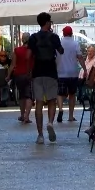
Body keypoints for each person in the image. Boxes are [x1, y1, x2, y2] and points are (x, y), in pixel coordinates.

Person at [27, 12, 64, 144]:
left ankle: (40, 135)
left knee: (39, 103)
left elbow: (28, 56)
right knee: (52, 100)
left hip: (37, 72)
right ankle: (50, 123)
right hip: (51, 72)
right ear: (48, 23)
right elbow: (61, 51)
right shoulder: (54, 37)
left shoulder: (33, 37)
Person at [55, 26, 83, 123]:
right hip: (73, 72)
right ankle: (71, 116)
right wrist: (84, 69)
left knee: (60, 93)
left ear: (63, 34)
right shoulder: (75, 43)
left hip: (60, 72)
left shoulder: (58, 43)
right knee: (72, 94)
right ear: (71, 33)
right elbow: (80, 57)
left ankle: (61, 109)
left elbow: (54, 57)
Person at [5, 32, 33, 124]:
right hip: (30, 74)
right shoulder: (33, 50)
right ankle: (27, 116)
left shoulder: (17, 50)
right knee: (29, 96)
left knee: (21, 95)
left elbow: (13, 65)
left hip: (19, 75)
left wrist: (8, 76)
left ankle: (22, 114)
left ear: (22, 40)